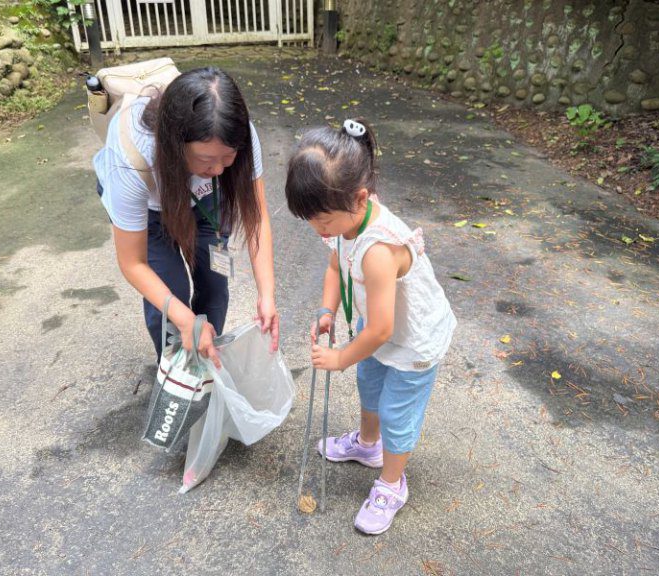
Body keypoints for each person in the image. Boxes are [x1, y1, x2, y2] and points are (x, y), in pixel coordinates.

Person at [285, 118, 456, 534]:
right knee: (370, 383)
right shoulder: (344, 219)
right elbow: (333, 264)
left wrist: (340, 356)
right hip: (379, 324)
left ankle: (392, 484)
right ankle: (367, 445)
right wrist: (327, 310)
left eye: (322, 221)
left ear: (360, 198)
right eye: (310, 221)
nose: (318, 230)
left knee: (398, 410)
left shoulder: (379, 250)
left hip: (411, 339)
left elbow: (380, 330)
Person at [94, 67, 278, 366]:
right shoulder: (130, 159)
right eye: (206, 159)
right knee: (172, 297)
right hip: (151, 213)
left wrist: (267, 294)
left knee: (215, 284)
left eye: (228, 158)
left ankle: (205, 363)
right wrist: (184, 319)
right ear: (173, 144)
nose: (219, 170)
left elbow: (256, 219)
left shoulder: (240, 135)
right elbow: (133, 263)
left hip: (206, 201)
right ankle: (175, 372)